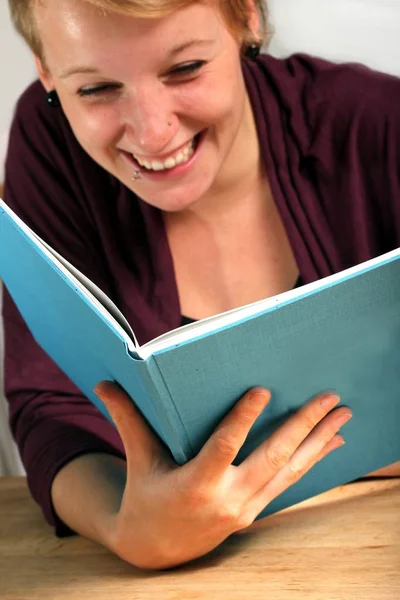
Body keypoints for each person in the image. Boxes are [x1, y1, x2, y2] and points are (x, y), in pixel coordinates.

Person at [3, 0, 400, 570]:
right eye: (95, 90)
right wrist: (126, 528)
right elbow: (49, 406)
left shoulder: (376, 123)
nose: (153, 131)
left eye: (185, 69)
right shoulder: (52, 144)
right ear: (45, 70)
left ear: (248, 20)